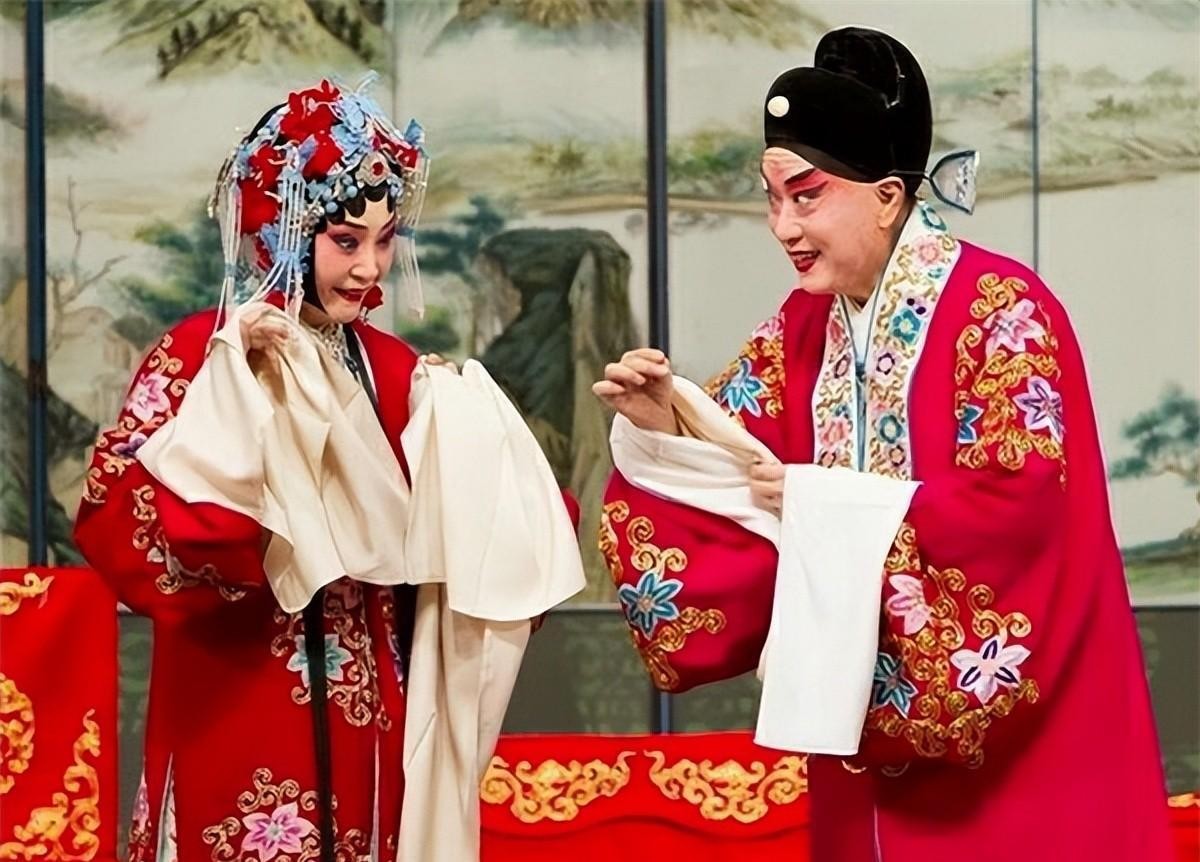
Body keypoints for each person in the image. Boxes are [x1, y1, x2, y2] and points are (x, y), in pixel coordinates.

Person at [594, 27, 1173, 861]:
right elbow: (741, 476)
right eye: (772, 198)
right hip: (862, 743)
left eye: (807, 196)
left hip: (1022, 751)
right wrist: (665, 428)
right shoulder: (802, 329)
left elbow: (1021, 520)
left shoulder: (1002, 312)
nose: (782, 225)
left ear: (889, 195)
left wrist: (823, 505)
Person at [77, 76, 581, 862]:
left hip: (372, 721)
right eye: (346, 241)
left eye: (384, 241)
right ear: (278, 229)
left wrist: (478, 455)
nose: (369, 268)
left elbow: (486, 534)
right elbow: (120, 518)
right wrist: (233, 412)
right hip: (236, 696)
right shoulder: (201, 355)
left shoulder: (396, 369)